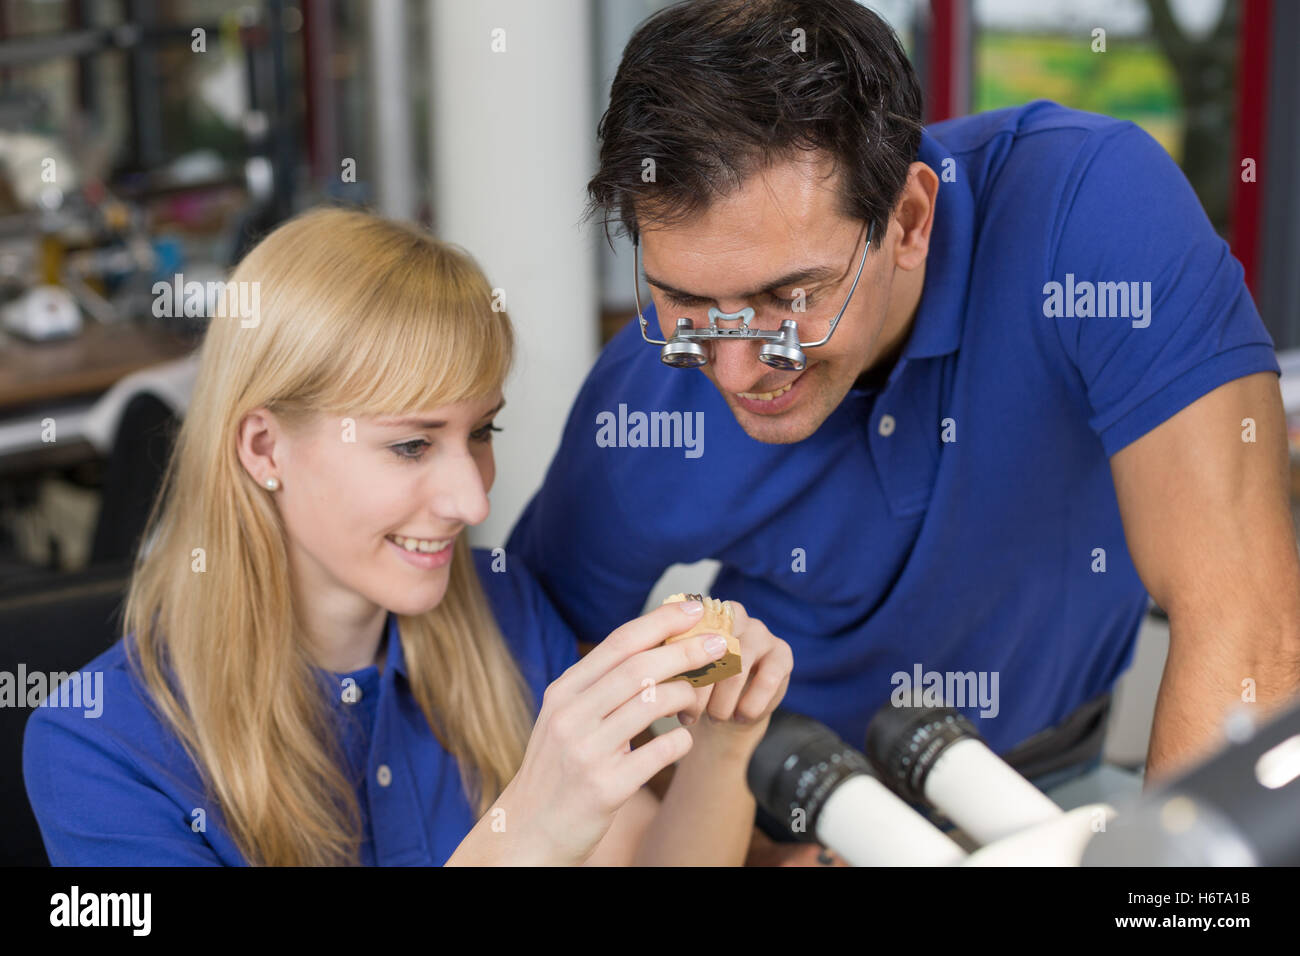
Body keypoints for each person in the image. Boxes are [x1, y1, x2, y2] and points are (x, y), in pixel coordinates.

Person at [507, 0, 1300, 864]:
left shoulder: (1092, 213)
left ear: (912, 220)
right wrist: (720, 830)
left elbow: (1244, 612)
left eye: (789, 299)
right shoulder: (643, 402)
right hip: (788, 820)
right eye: (687, 304)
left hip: (1048, 789)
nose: (735, 372)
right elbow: (539, 646)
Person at [22, 206, 792, 866]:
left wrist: (728, 739)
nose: (470, 498)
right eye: (411, 445)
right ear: (263, 449)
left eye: (481, 431)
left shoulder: (505, 609)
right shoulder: (101, 753)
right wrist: (521, 838)